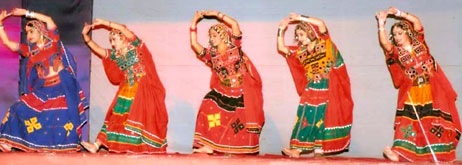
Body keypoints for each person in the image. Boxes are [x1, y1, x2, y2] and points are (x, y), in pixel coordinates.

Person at [376, 7, 461, 162]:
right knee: (408, 122)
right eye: (394, 35)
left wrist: (399, 14)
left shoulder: (420, 41)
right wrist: (381, 24)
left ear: (408, 33)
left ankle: (442, 155)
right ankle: (399, 153)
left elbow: (416, 21)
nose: (397, 37)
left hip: (432, 89)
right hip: (413, 91)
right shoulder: (397, 52)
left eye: (400, 33)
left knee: (434, 122)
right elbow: (384, 43)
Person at [0, 8, 88, 152]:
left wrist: (25, 13)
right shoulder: (30, 51)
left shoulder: (53, 42)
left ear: (40, 31)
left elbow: (48, 20)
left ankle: (67, 146)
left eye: (31, 31)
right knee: (17, 108)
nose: (28, 35)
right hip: (44, 89)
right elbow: (9, 44)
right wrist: (0, 23)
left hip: (61, 87)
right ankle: (9, 141)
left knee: (63, 117)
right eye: (27, 32)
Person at [80, 18, 168, 153]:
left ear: (123, 38)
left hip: (143, 89)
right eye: (111, 41)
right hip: (127, 89)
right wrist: (86, 37)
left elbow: (124, 30)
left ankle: (138, 148)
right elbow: (99, 50)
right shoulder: (117, 55)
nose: (112, 43)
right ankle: (96, 146)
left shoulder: (137, 46)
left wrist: (105, 23)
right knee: (115, 116)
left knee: (138, 119)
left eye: (114, 39)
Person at [276, 12, 353, 158]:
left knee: (324, 118)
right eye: (297, 35)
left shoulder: (325, 43)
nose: (299, 38)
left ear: (310, 33)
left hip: (329, 87)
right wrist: (281, 30)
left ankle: (320, 151)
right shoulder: (301, 52)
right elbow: (282, 48)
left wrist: (300, 18)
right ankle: (297, 150)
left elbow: (321, 24)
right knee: (306, 116)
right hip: (312, 88)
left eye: (301, 34)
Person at [190, 10, 264, 154]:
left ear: (223, 35)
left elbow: (234, 25)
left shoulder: (235, 47)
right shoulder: (211, 55)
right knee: (208, 104)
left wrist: (217, 14)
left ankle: (236, 149)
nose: (212, 38)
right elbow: (194, 43)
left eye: (215, 35)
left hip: (241, 90)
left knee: (240, 119)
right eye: (210, 36)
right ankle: (207, 145)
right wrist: (194, 22)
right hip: (223, 91)